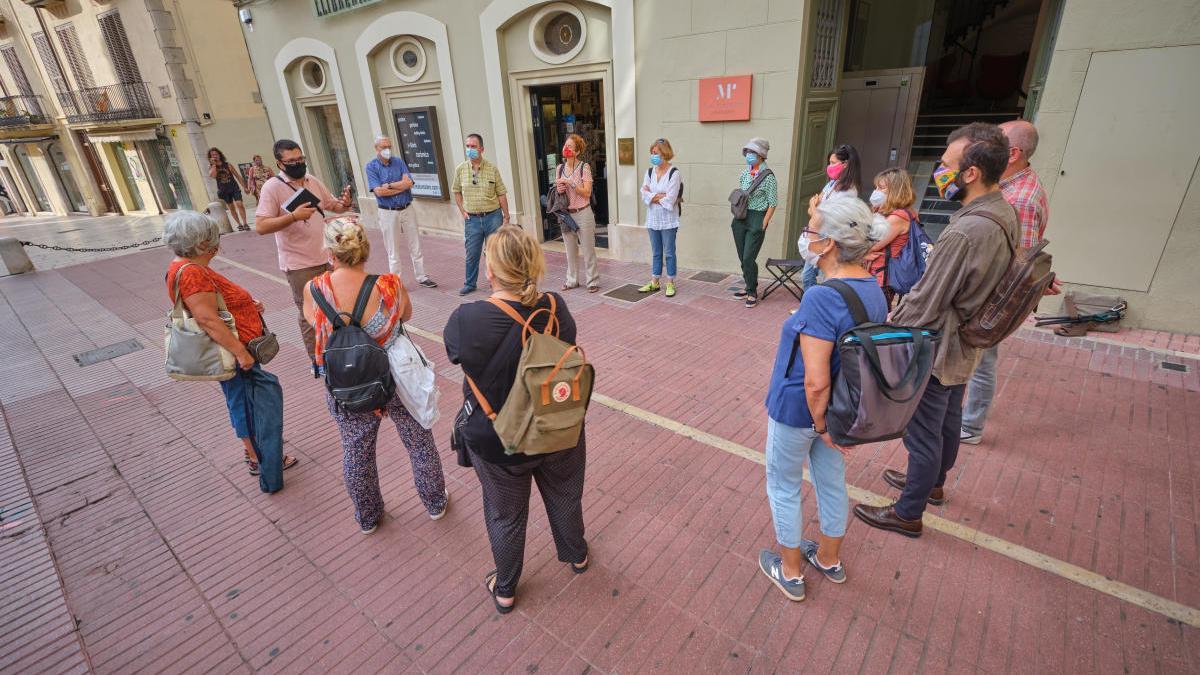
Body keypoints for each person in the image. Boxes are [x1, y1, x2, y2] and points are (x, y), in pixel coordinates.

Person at [854, 122, 1018, 538]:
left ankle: (909, 511)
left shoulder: (965, 231)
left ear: (971, 173)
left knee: (923, 432)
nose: (940, 172)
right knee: (947, 420)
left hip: (942, 344)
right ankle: (933, 486)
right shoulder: (1002, 211)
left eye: (946, 165)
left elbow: (927, 300)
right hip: (965, 342)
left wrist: (888, 328)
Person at [443, 225, 588, 614]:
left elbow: (456, 355)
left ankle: (505, 588)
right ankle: (577, 555)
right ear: (534, 264)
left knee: (505, 514)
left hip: (499, 439)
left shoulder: (466, 319)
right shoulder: (556, 306)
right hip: (557, 427)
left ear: (489, 270)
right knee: (566, 496)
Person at [759, 194, 888, 601]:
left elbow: (815, 380)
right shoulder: (873, 289)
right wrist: (832, 425)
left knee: (783, 486)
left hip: (802, 410)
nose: (806, 238)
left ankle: (792, 569)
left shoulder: (821, 296)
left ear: (830, 242)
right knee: (832, 483)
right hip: (841, 409)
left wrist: (822, 426)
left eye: (811, 231)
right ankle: (829, 558)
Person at [302, 217, 448, 533]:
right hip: (393, 375)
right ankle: (435, 502)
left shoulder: (315, 289)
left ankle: (368, 517)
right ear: (364, 249)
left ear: (331, 252)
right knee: (419, 441)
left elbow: (314, 323)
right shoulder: (388, 284)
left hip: (348, 382)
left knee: (356, 452)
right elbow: (405, 315)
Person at [163, 211, 297, 492]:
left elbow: (217, 306)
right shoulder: (192, 273)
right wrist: (241, 353)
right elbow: (207, 319)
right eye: (214, 239)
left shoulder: (188, 266)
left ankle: (257, 453)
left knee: (243, 399)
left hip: (233, 347)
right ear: (201, 243)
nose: (218, 244)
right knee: (244, 402)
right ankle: (256, 457)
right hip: (231, 352)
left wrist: (246, 305)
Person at [959, 120, 1056, 445]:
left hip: (991, 299)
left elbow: (1019, 263)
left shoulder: (1021, 199)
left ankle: (970, 426)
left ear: (1012, 153)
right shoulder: (1010, 187)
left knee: (982, 359)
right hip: (985, 292)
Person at [254, 138, 354, 378]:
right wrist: (293, 217)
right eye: (291, 161)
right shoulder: (272, 187)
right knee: (309, 313)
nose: (298, 164)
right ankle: (317, 360)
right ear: (279, 163)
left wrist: (344, 204)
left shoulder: (312, 180)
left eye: (300, 159)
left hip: (327, 258)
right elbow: (261, 225)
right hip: (299, 264)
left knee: (337, 306)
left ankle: (340, 350)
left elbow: (332, 206)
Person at [365, 135, 437, 289]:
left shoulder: (398, 162)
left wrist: (389, 185)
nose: (387, 150)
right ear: (376, 149)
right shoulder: (371, 167)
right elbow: (379, 192)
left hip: (407, 208)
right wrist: (400, 186)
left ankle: (422, 276)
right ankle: (396, 282)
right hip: (388, 212)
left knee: (415, 245)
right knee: (393, 250)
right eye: (384, 147)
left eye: (389, 146)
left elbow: (409, 183)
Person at [451, 133, 511, 296]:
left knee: (495, 252)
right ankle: (470, 283)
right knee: (472, 253)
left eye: (473, 146)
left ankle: (498, 282)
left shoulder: (492, 169)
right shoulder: (461, 170)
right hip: (472, 219)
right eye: (468, 146)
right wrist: (462, 211)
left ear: (481, 149)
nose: (470, 149)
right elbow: (456, 191)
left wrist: (506, 216)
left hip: (493, 216)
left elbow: (501, 194)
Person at [802, 145, 862, 290]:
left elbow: (819, 213)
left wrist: (815, 207)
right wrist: (815, 209)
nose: (829, 166)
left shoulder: (848, 191)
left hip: (832, 240)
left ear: (845, 164)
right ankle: (812, 307)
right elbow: (812, 210)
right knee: (807, 276)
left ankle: (821, 308)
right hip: (818, 236)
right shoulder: (831, 184)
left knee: (826, 279)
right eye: (829, 162)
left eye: (833, 162)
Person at [730, 137, 778, 309]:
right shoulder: (744, 173)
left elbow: (773, 202)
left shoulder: (768, 177)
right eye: (747, 152)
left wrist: (764, 222)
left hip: (757, 217)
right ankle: (748, 285)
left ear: (761, 155)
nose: (749, 155)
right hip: (740, 218)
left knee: (749, 257)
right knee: (742, 257)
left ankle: (752, 292)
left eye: (753, 152)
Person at [864, 168, 918, 307]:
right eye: (876, 187)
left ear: (896, 191)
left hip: (881, 277)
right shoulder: (890, 213)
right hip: (876, 273)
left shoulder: (898, 217)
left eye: (881, 188)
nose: (876, 191)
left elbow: (871, 244)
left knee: (874, 318)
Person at [555, 133, 601, 293]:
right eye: (565, 145)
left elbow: (587, 192)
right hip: (566, 214)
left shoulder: (584, 167)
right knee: (570, 250)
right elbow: (558, 190)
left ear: (577, 152)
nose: (566, 149)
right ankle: (572, 280)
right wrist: (559, 188)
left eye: (570, 147)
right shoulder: (559, 169)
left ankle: (592, 281)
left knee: (588, 249)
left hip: (583, 213)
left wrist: (572, 184)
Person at [638, 138, 682, 297]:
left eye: (655, 153)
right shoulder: (649, 172)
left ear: (665, 153)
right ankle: (655, 282)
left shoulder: (674, 173)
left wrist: (652, 196)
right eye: (652, 153)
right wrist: (658, 196)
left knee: (669, 252)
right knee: (656, 252)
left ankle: (670, 283)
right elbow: (643, 194)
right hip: (652, 219)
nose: (653, 156)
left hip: (668, 220)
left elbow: (670, 199)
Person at [208, 148, 250, 231]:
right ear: (210, 157)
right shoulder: (212, 167)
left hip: (234, 188)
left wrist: (245, 187)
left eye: (216, 154)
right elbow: (213, 176)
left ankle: (245, 223)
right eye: (212, 155)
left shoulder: (228, 165)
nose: (215, 156)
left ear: (219, 155)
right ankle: (239, 224)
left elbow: (237, 176)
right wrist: (213, 165)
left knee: (239, 204)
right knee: (232, 208)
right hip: (224, 190)